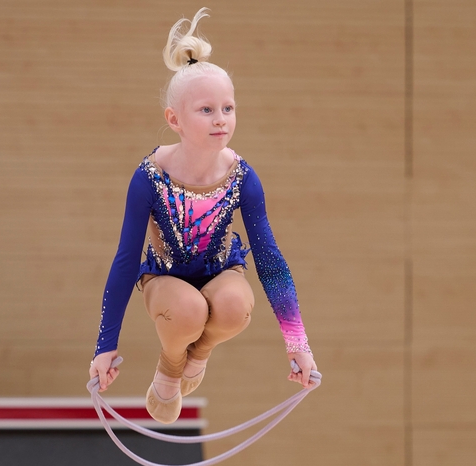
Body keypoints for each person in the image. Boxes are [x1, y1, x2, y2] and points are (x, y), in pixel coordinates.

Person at [88, 7, 317, 424]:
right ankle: (172, 365)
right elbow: (125, 259)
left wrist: (298, 343)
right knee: (190, 311)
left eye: (227, 108)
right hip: (166, 280)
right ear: (174, 119)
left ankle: (198, 354)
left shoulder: (242, 177)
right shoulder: (149, 177)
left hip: (218, 271)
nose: (221, 120)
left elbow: (269, 259)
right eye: (206, 110)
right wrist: (105, 345)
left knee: (233, 307)